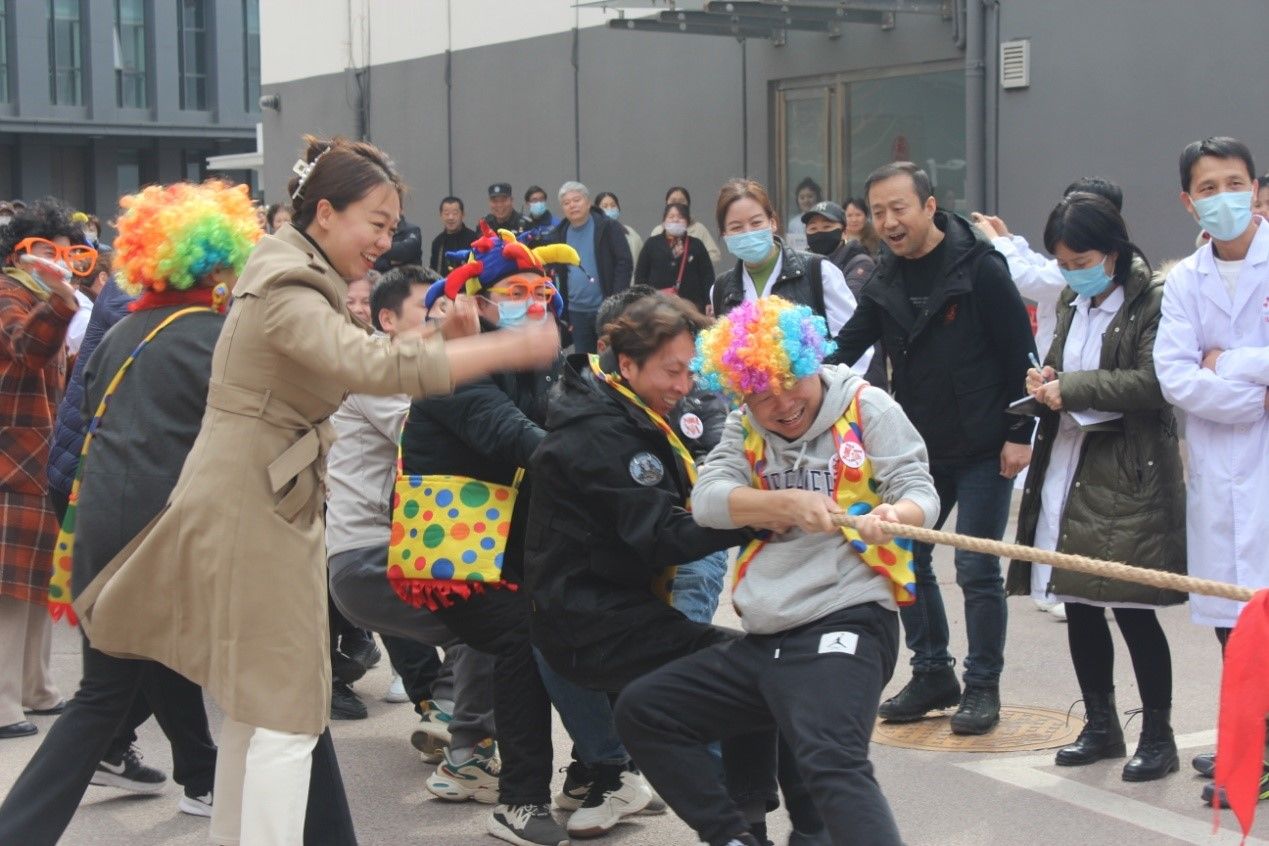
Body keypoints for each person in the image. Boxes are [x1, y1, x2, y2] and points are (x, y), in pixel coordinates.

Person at [71, 135, 561, 845]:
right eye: (377, 222)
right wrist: (495, 347)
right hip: (255, 510)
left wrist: (452, 343)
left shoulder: (291, 273)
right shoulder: (285, 280)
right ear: (325, 213)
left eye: (393, 227)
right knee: (285, 717)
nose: (384, 240)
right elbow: (360, 362)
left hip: (267, 504)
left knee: (259, 713)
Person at [617, 296, 936, 846]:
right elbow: (709, 501)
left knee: (831, 762)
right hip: (767, 637)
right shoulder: (744, 429)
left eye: (791, 381)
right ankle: (735, 838)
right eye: (760, 394)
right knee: (645, 710)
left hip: (848, 619)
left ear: (811, 362)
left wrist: (894, 515)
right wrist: (783, 504)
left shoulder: (867, 407)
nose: (782, 404)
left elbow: (919, 493)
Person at [0, 179, 259, 845]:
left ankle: (197, 779)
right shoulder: (213, 337)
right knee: (261, 687)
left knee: (120, 682)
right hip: (165, 537)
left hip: (102, 530)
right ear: (217, 261)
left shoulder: (124, 330)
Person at [525, 294, 790, 846]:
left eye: (691, 371)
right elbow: (662, 536)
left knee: (751, 674)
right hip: (586, 620)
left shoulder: (623, 410)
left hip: (612, 604)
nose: (684, 385)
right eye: (672, 370)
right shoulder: (603, 433)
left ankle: (743, 822)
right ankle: (733, 828)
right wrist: (759, 516)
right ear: (627, 364)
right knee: (749, 673)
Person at [827, 161, 1037, 735]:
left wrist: (1022, 435)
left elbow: (1023, 354)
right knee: (905, 558)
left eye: (899, 208)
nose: (889, 222)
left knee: (974, 566)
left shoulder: (981, 268)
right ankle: (932, 672)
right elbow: (847, 347)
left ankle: (983, 685)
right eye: (878, 213)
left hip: (987, 443)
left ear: (928, 206)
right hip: (918, 446)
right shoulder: (886, 276)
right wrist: (793, 380)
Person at [1005, 192, 1186, 782]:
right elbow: (1067, 361)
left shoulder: (1152, 300)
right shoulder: (1070, 298)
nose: (1070, 270)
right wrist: (1049, 376)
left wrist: (1074, 387)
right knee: (1079, 601)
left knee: (1131, 606)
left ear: (1112, 251)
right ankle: (1101, 724)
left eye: (1080, 258)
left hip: (1129, 470)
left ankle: (1158, 734)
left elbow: (1154, 381)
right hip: (1070, 462)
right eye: (1061, 261)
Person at [323, 263, 497, 779]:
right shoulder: (379, 370)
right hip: (374, 552)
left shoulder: (409, 367)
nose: (442, 318)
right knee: (493, 628)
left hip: (404, 545)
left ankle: (451, 722)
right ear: (387, 321)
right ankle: (464, 748)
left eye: (445, 306)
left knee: (485, 625)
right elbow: (425, 432)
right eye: (430, 310)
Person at [1153, 136, 1269, 804]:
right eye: (1207, 188)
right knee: (1232, 618)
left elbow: (1199, 370)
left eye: (1234, 183)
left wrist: (1224, 363)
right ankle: (1244, 742)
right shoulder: (1183, 282)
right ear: (1187, 201)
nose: (1223, 198)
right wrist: (1252, 390)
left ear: (1253, 189)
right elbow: (1172, 376)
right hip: (1217, 473)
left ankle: (1252, 750)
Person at [971, 176, 1127, 621]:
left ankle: (1080, 583)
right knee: (1055, 498)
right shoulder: (1068, 278)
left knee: (1092, 502)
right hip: (1057, 399)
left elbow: (1028, 274)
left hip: (1097, 409)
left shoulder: (1110, 284)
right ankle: (1055, 583)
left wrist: (999, 242)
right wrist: (1008, 239)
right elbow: (1041, 269)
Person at [0, 199, 90, 741]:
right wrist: (61, 301)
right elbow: (26, 346)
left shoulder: (38, 297)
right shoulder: (9, 296)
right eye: (45, 249)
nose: (57, 261)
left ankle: (34, 687)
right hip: (11, 459)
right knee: (9, 592)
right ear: (22, 252)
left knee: (33, 584)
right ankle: (4, 700)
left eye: (66, 250)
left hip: (36, 458)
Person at [710, 178, 868, 379]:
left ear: (773, 222)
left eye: (756, 222)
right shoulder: (721, 289)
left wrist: (824, 391)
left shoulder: (818, 271)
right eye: (736, 227)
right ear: (724, 234)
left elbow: (857, 344)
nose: (748, 232)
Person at [801, 200, 887, 389]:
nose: (819, 233)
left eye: (827, 226)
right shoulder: (803, 267)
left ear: (843, 231)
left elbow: (853, 315)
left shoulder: (859, 264)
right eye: (813, 228)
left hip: (861, 371)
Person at [547, 180, 633, 355]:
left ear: (588, 202)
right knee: (584, 363)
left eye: (576, 200)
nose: (572, 205)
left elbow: (624, 262)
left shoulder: (607, 227)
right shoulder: (559, 234)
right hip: (576, 312)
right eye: (566, 203)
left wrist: (615, 301)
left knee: (610, 359)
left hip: (606, 308)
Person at [633, 202, 715, 312]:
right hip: (657, 306)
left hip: (692, 306)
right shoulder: (652, 243)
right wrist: (641, 300)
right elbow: (641, 275)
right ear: (663, 221)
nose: (675, 220)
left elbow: (707, 276)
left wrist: (709, 301)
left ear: (687, 222)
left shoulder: (696, 244)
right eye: (671, 217)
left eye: (680, 217)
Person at [651, 186, 721, 266]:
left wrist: (693, 261)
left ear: (688, 205)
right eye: (673, 201)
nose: (677, 205)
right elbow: (649, 257)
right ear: (666, 205)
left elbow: (715, 255)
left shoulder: (699, 229)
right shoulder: (658, 231)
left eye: (681, 202)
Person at [430, 195, 478, 275]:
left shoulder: (474, 239)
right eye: (446, 213)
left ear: (463, 215)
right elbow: (433, 272)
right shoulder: (437, 242)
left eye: (455, 213)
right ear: (441, 215)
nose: (450, 217)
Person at [595, 191, 644, 269]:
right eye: (605, 206)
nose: (610, 209)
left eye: (613, 205)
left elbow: (641, 260)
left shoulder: (630, 232)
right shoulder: (593, 234)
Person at [784, 176, 823, 243]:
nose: (806, 201)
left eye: (810, 196)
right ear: (797, 200)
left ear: (818, 198)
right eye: (802, 198)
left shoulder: (824, 219)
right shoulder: (793, 223)